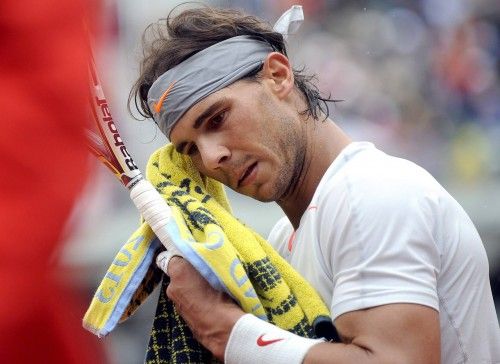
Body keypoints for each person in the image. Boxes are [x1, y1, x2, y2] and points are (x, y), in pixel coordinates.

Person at [129, 5, 500, 364]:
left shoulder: (367, 194)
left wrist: (226, 331)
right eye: (190, 149)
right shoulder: (283, 240)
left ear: (277, 76)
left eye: (217, 119)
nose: (211, 158)